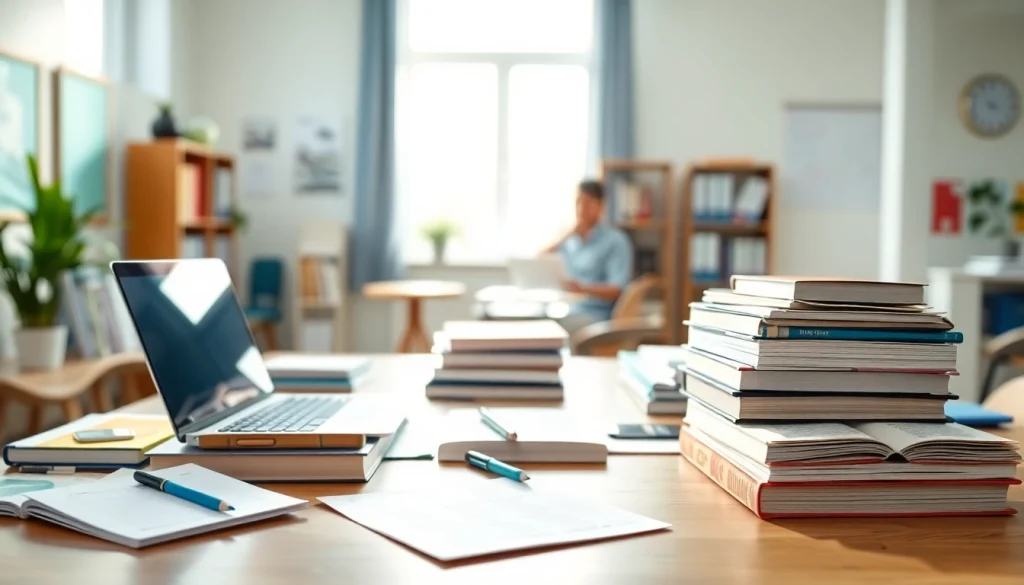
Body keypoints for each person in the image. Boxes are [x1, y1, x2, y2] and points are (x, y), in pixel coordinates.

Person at [544, 180, 633, 333]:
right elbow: (539, 260)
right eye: (578, 202)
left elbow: (618, 289)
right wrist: (565, 236)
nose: (581, 209)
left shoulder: (615, 241)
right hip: (565, 308)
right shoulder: (570, 240)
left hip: (596, 316)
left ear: (601, 206)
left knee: (550, 327)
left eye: (588, 203)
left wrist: (584, 289)